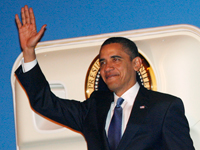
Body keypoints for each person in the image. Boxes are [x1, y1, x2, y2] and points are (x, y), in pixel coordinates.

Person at [15, 5, 195, 150]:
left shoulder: (164, 107)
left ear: (136, 64)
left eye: (116, 59)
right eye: (102, 62)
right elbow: (46, 103)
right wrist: (29, 52)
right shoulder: (93, 108)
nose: (107, 67)